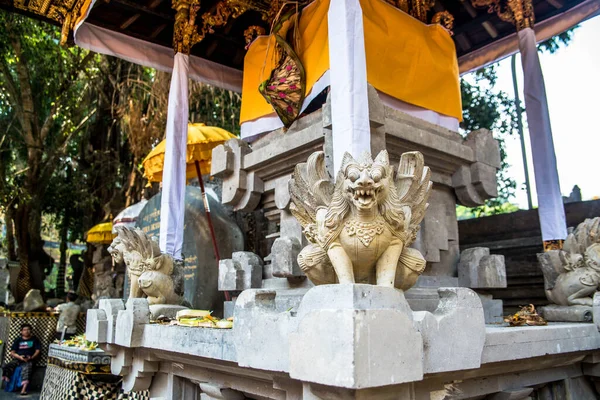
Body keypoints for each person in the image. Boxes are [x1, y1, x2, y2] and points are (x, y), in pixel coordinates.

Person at [2, 323, 41, 395]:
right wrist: (19, 357)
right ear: (21, 331)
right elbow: (12, 352)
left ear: (31, 331)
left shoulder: (34, 339)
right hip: (18, 358)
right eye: (24, 330)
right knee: (7, 366)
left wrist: (32, 357)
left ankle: (23, 390)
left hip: (29, 359)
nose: (26, 331)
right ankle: (10, 385)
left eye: (28, 330)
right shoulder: (18, 340)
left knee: (27, 369)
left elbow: (37, 350)